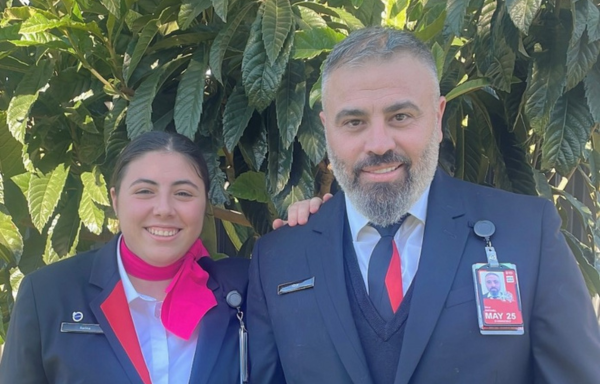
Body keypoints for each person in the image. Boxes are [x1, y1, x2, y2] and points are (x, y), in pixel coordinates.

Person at [248, 27, 600, 384]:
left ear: (438, 117)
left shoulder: (527, 234)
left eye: (400, 116)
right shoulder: (279, 259)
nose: (379, 144)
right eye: (354, 122)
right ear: (327, 130)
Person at [0, 131, 249, 384]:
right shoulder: (46, 295)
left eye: (183, 193)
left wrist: (292, 224)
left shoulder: (245, 289)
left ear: (205, 203)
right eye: (144, 191)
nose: (164, 209)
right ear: (115, 200)